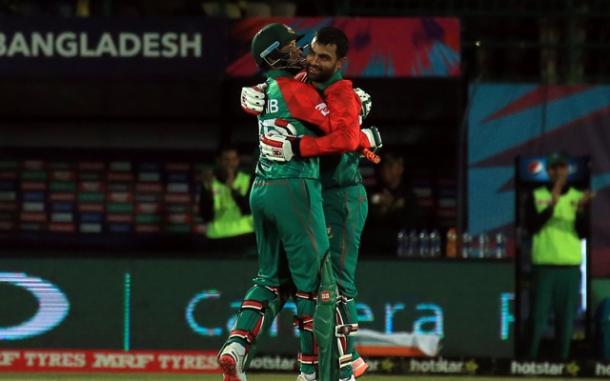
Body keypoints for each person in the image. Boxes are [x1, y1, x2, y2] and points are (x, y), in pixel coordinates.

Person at [217, 23, 377, 381]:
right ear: (276, 56)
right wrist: (361, 123)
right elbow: (340, 132)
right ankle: (329, 370)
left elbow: (341, 126)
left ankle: (238, 346)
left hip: (275, 188)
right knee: (320, 287)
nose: (304, 55)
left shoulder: (286, 85)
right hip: (301, 191)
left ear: (339, 61)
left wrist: (357, 116)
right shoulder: (299, 88)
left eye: (320, 55)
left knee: (274, 279)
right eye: (298, 48)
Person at [525, 151, 592, 359]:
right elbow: (531, 227)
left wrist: (581, 210)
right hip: (544, 266)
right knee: (537, 318)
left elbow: (584, 233)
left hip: (569, 268)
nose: (558, 171)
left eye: (561, 167)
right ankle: (528, 363)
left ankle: (561, 364)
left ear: (567, 170)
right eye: (554, 168)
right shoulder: (537, 195)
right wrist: (551, 206)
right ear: (548, 171)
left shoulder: (577, 196)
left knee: (566, 320)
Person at [364, 152, 424, 254]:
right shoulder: (372, 193)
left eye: (390, 166)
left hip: (400, 251)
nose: (385, 170)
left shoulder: (409, 196)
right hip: (373, 252)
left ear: (400, 169)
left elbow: (412, 224)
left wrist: (392, 206)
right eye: (384, 166)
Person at [198, 144, 255, 253]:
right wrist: (208, 191)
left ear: (238, 161)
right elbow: (205, 216)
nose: (230, 164)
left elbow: (248, 210)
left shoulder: (246, 180)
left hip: (243, 236)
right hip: (216, 238)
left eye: (233, 159)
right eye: (226, 160)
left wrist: (232, 189)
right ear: (218, 161)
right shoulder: (210, 183)